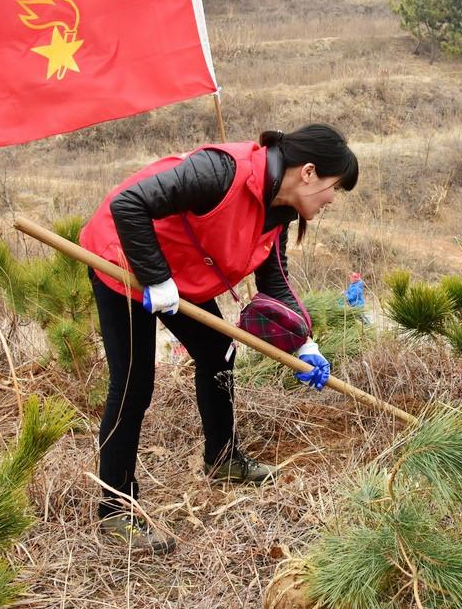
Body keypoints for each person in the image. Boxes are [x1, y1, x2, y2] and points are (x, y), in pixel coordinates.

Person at [79, 123, 359, 552]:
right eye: (333, 188)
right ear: (308, 172)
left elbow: (275, 282)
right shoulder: (219, 172)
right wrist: (155, 278)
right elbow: (129, 204)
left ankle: (223, 458)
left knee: (218, 352)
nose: (330, 201)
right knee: (134, 386)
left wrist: (304, 341)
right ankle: (115, 511)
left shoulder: (277, 211)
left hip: (178, 278)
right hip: (122, 262)